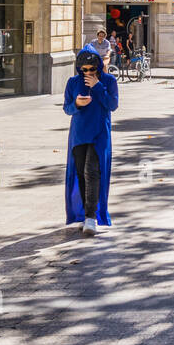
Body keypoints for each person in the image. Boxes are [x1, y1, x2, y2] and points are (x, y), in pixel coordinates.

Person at [63, 47, 119, 234]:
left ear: (98, 66)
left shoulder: (109, 81)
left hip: (99, 134)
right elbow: (67, 108)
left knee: (93, 171)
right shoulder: (72, 82)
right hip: (79, 134)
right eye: (84, 70)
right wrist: (77, 104)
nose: (88, 73)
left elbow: (112, 105)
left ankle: (91, 217)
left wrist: (97, 86)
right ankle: (85, 213)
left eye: (92, 69)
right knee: (81, 172)